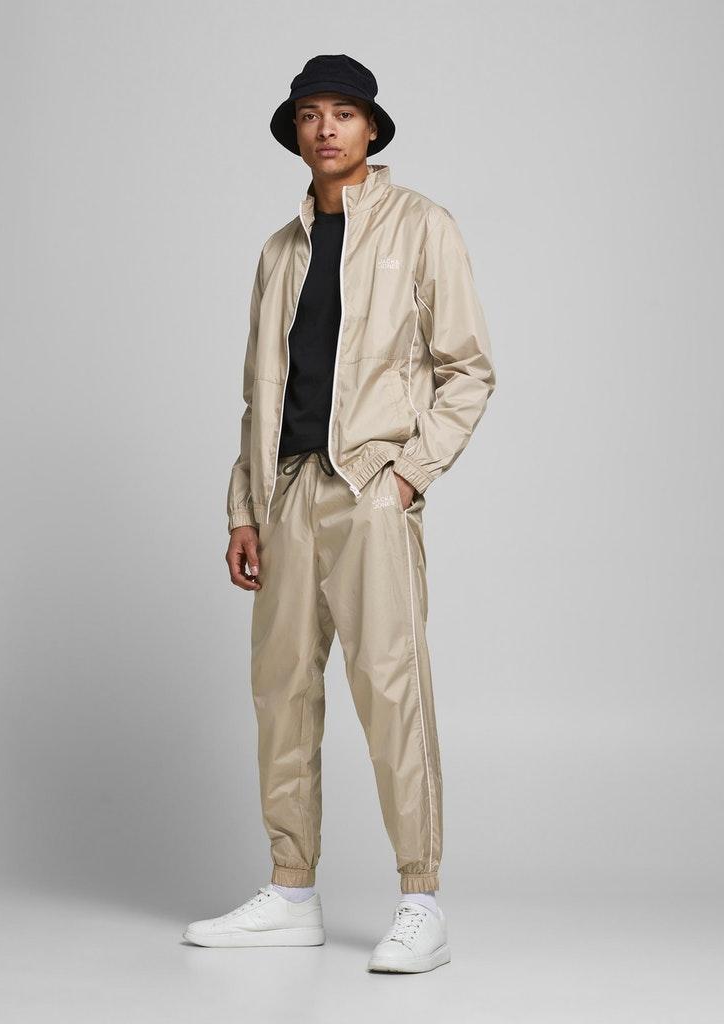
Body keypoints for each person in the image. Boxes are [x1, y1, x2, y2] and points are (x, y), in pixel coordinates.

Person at [184, 54, 496, 973]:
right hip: (284, 493)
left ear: (371, 129)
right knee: (282, 694)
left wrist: (408, 477)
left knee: (391, 689)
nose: (326, 129)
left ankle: (421, 900)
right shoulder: (279, 251)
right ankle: (291, 892)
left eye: (344, 113)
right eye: (310, 114)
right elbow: (260, 395)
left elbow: (469, 370)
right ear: (295, 132)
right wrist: (244, 509)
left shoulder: (421, 226)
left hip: (369, 489)